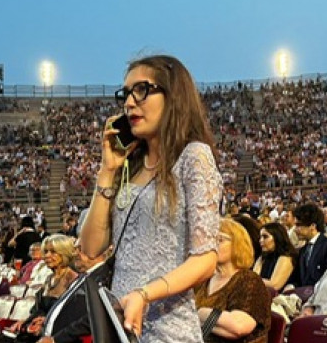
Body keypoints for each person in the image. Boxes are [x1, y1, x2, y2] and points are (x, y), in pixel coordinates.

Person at [80, 55, 223, 342]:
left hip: (168, 328)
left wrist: (145, 294)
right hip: (121, 325)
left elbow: (206, 259)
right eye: (126, 94)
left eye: (141, 90)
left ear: (173, 97)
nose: (129, 103)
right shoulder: (129, 166)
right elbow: (91, 247)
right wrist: (107, 171)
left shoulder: (193, 157)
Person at [194, 220, 271, 343]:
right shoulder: (204, 279)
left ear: (238, 245)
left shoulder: (248, 280)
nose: (211, 245)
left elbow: (238, 327)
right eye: (209, 239)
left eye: (220, 240)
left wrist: (199, 313)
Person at [291, 203, 327, 287]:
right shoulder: (303, 250)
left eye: (298, 225)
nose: (295, 230)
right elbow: (298, 279)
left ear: (312, 226)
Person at [251, 223, 295, 292]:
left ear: (278, 237)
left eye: (265, 237)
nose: (261, 240)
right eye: (260, 237)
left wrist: (252, 280)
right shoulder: (263, 257)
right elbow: (253, 277)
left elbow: (275, 285)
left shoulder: (285, 257)